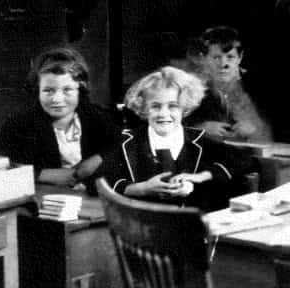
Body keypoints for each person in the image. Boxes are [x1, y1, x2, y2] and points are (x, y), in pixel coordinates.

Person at [98, 66, 240, 212]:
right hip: (140, 227)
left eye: (173, 106)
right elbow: (101, 181)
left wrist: (199, 178)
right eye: (155, 106)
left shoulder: (201, 140)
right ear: (143, 108)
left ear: (185, 108)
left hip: (191, 229)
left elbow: (242, 161)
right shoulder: (126, 141)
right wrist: (142, 188)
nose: (163, 114)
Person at [0, 47, 119, 190]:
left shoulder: (96, 116)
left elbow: (118, 143)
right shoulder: (18, 124)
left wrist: (96, 160)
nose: (57, 99)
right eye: (48, 90)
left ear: (80, 88)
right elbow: (5, 167)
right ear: (38, 89)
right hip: (42, 198)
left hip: (91, 199)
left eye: (67, 90)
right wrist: (42, 175)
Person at [184, 26, 274, 143]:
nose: (223, 64)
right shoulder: (193, 88)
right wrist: (200, 129)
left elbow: (280, 129)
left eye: (230, 57)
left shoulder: (259, 87)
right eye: (216, 57)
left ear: (240, 57)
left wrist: (255, 130)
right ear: (204, 58)